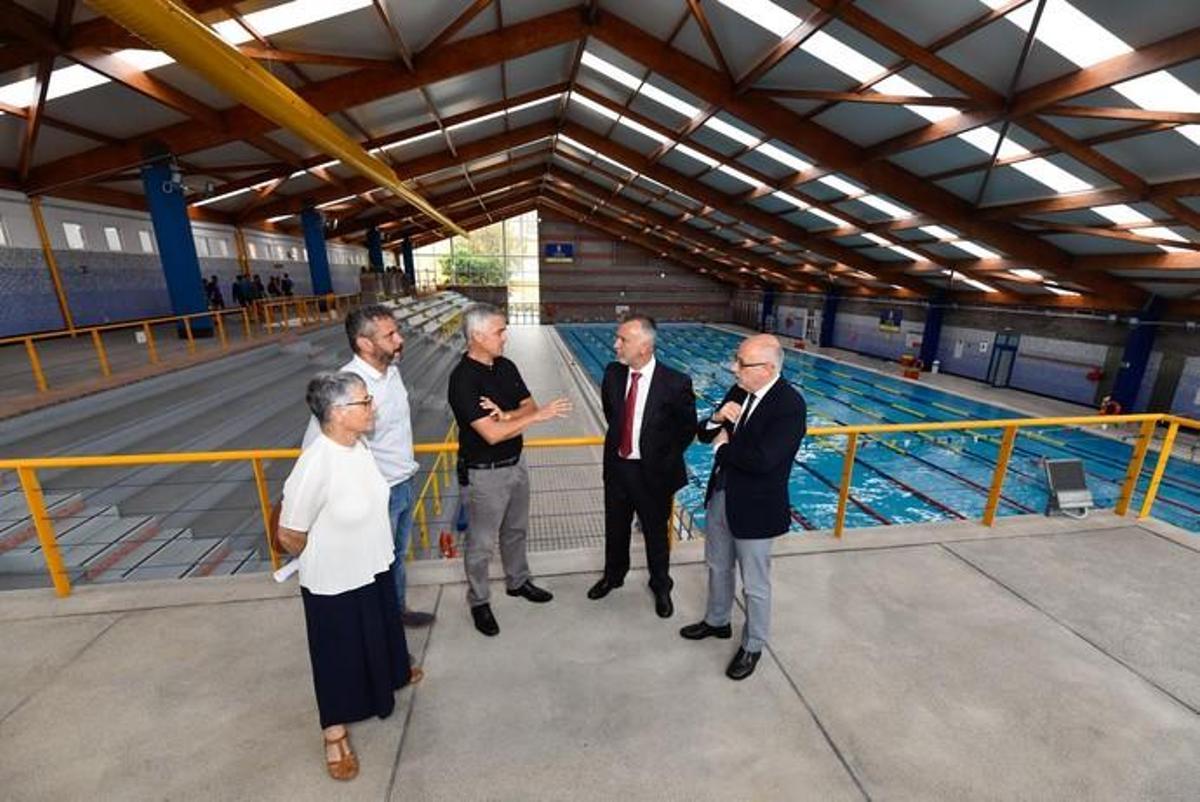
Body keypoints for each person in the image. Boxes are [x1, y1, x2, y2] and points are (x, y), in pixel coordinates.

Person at [276, 371, 422, 781]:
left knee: (376, 635)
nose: (372, 407)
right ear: (339, 413)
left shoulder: (357, 448)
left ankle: (384, 684)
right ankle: (334, 732)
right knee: (336, 654)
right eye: (365, 402)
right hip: (334, 580)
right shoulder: (315, 463)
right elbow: (289, 534)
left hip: (371, 566)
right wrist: (328, 554)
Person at [680, 334, 806, 681]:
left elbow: (764, 460)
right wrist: (718, 417)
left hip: (756, 507)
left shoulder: (789, 405)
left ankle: (753, 644)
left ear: (766, 369)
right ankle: (717, 621)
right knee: (717, 566)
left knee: (755, 583)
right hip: (722, 496)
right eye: (736, 360)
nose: (734, 368)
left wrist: (723, 450)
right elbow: (705, 434)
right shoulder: (739, 391)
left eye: (742, 363)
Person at [302, 305, 434, 628]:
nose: (400, 339)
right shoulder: (347, 388)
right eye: (390, 335)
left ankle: (397, 611)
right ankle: (383, 630)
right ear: (364, 343)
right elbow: (314, 445)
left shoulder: (392, 371)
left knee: (396, 558)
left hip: (403, 481)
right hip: (376, 493)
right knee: (373, 567)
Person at [447, 303, 572, 636]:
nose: (505, 336)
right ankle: (479, 601)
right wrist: (528, 418)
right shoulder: (462, 380)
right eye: (499, 331)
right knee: (481, 543)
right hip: (484, 473)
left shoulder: (506, 366)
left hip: (516, 464)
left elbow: (524, 406)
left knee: (516, 530)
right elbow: (491, 434)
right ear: (477, 336)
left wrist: (507, 415)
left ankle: (517, 581)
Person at [588, 315, 695, 618]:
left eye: (623, 340)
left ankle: (661, 584)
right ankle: (613, 575)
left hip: (654, 473)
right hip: (619, 468)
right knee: (616, 527)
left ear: (645, 347)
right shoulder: (612, 374)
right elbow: (613, 415)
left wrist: (660, 459)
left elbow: (686, 430)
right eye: (617, 338)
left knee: (656, 533)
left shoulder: (675, 383)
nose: (615, 345)